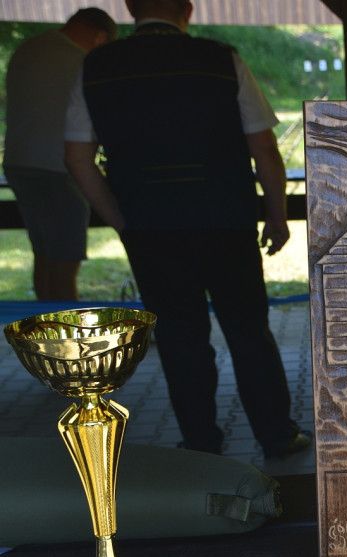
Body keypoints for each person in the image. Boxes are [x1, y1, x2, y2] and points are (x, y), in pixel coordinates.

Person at [64, 0, 309, 458]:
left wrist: (121, 220)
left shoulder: (96, 67)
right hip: (227, 219)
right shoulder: (221, 59)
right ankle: (277, 435)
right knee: (249, 330)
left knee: (180, 338)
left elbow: (77, 158)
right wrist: (276, 214)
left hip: (151, 225)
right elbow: (263, 148)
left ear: (131, 8)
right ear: (188, 10)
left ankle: (200, 444)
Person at [3, 8, 117, 301]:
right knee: (66, 262)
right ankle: (65, 326)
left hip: (19, 162)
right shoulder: (81, 61)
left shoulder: (28, 49)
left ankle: (45, 319)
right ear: (100, 37)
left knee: (44, 254)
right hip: (59, 166)